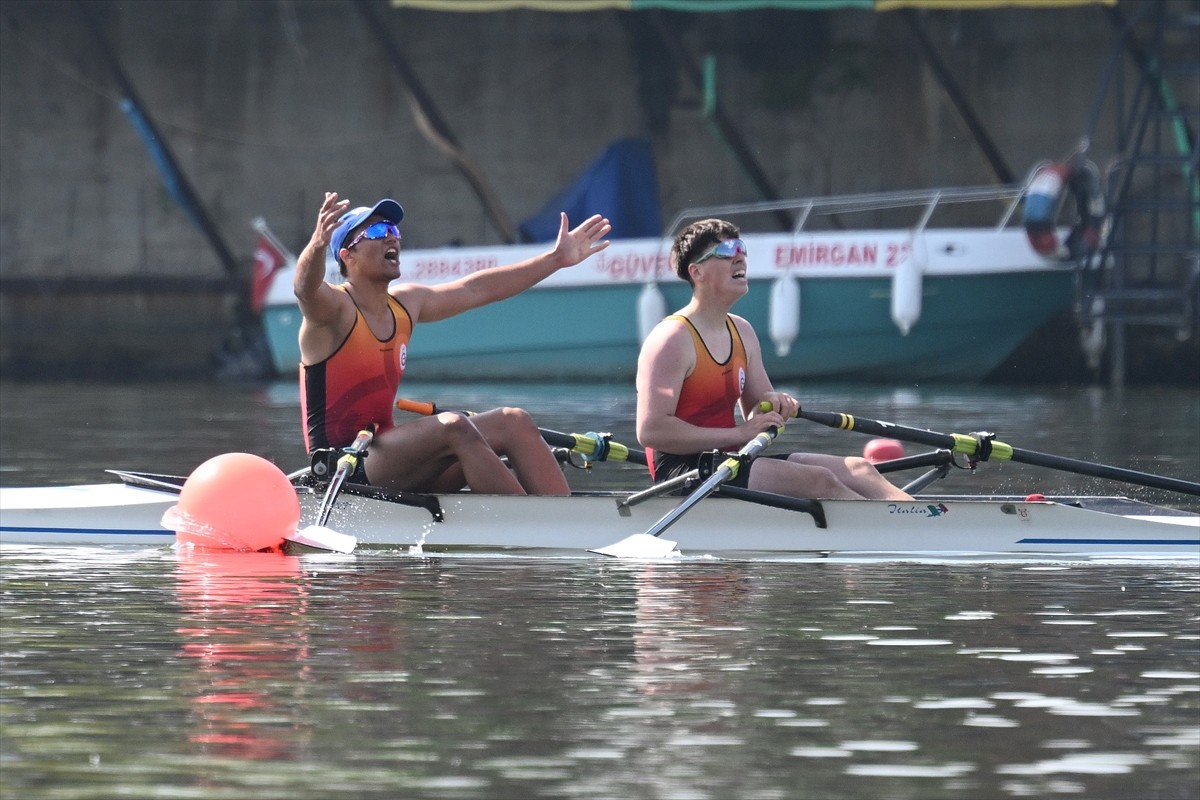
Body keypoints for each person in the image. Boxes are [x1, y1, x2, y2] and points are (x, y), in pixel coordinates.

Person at [295, 192, 611, 495]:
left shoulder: (407, 303)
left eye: (393, 230)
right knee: (454, 426)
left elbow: (478, 290)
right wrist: (317, 244)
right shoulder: (333, 310)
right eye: (377, 231)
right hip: (344, 465)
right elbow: (304, 289)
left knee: (513, 422)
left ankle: (563, 519)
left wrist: (555, 259)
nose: (391, 238)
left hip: (393, 456)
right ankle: (530, 524)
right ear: (347, 256)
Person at [636, 218, 911, 501]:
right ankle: (891, 535)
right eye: (726, 252)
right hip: (683, 471)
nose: (739, 257)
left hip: (729, 460)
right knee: (818, 480)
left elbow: (757, 409)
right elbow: (651, 430)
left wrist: (775, 404)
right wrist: (738, 435)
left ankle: (923, 523)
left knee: (859, 468)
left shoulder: (742, 330)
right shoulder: (671, 339)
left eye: (741, 249)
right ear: (697, 272)